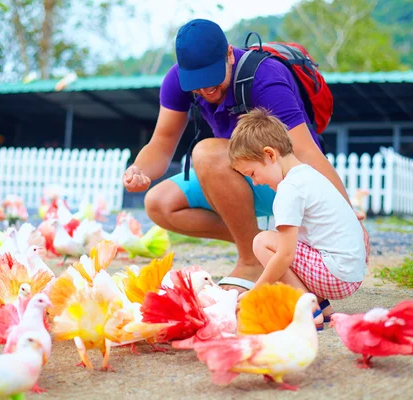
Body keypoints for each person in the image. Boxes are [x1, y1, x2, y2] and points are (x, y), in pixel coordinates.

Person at [122, 18, 369, 297]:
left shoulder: (266, 77)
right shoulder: (176, 81)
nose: (205, 91)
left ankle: (251, 263)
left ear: (229, 53)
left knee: (206, 152)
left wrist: (350, 218)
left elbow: (306, 151)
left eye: (211, 79)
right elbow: (162, 142)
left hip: (282, 184)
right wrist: (140, 169)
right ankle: (260, 246)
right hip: (234, 179)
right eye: (197, 84)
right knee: (158, 203)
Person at [228, 108, 366, 322]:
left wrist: (255, 292)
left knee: (263, 241)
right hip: (350, 272)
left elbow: (285, 255)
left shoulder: (290, 188)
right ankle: (321, 306)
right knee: (282, 238)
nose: (256, 182)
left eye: (253, 174)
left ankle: (307, 309)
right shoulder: (309, 175)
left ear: (270, 154)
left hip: (336, 274)